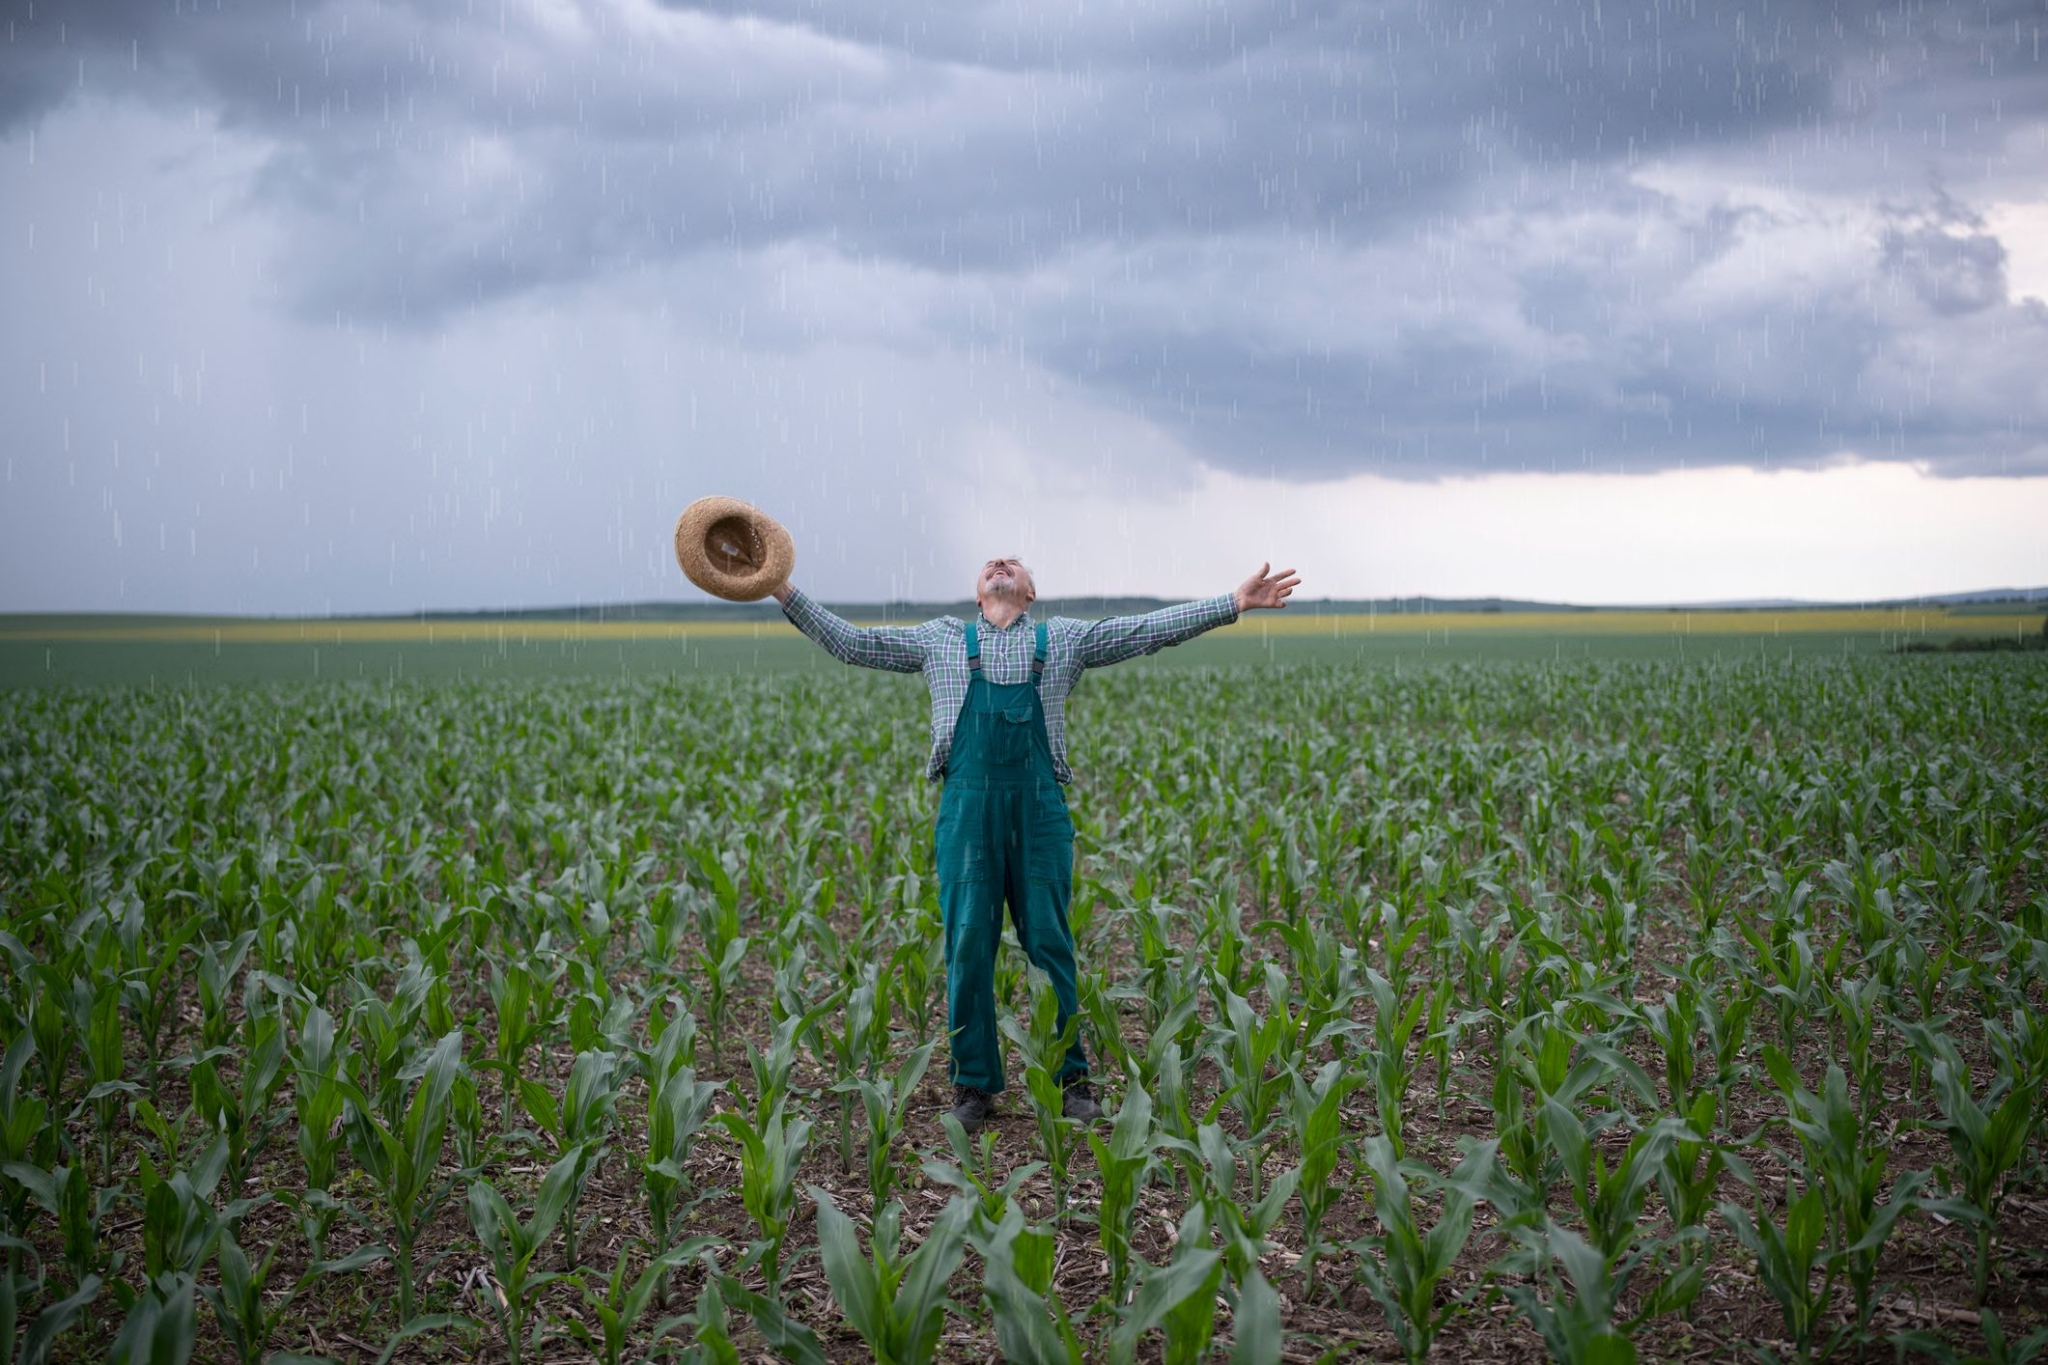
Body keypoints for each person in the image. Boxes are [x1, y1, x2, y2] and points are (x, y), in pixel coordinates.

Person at [773, 558, 1301, 1130]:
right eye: (989, 564)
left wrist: (1233, 603)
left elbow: (1147, 631)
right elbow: (851, 643)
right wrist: (778, 587)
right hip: (967, 810)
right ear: (978, 595)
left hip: (1038, 811)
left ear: (1030, 592)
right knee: (968, 946)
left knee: (1050, 943)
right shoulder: (939, 640)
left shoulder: (1065, 640)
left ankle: (1070, 1079)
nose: (999, 564)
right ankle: (973, 1085)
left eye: (1012, 564)